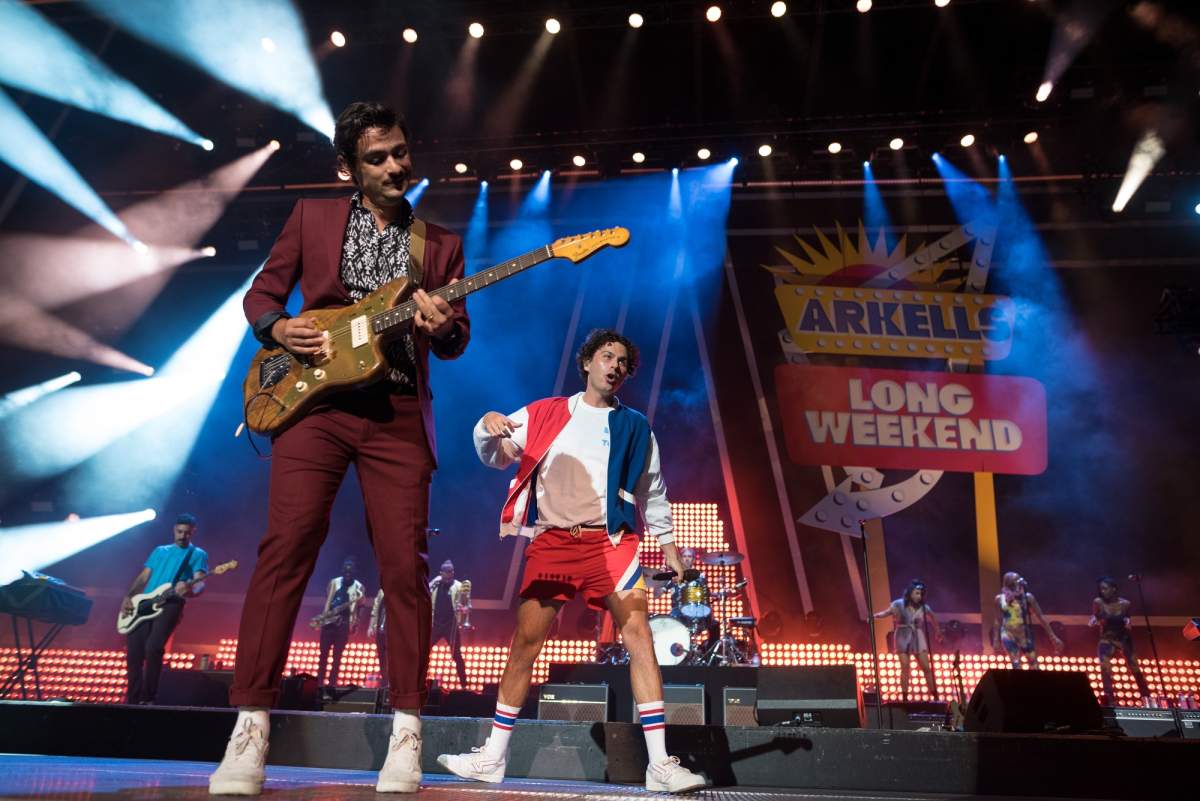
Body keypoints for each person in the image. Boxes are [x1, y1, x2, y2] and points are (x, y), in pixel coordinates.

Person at [209, 100, 470, 796]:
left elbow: (455, 338)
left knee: (405, 568)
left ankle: (407, 731)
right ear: (348, 168)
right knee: (286, 548)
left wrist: (442, 326)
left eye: (400, 152)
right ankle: (250, 727)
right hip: (317, 407)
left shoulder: (440, 243)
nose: (394, 166)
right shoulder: (312, 217)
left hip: (397, 412)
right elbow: (263, 294)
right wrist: (278, 327)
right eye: (377, 158)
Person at [438, 329, 707, 794]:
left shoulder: (635, 426)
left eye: (622, 362)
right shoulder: (544, 413)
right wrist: (486, 425)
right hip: (553, 542)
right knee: (525, 643)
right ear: (587, 362)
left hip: (611, 542)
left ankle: (660, 764)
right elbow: (496, 456)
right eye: (607, 356)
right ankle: (492, 757)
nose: (614, 366)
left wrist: (669, 548)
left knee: (640, 636)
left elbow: (653, 490)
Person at [122, 513, 208, 705]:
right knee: (134, 652)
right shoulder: (160, 551)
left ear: (193, 532)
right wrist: (129, 596)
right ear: (174, 529)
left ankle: (148, 698)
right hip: (144, 604)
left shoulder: (197, 554)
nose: (183, 536)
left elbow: (200, 582)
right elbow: (144, 576)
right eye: (180, 531)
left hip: (171, 603)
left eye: (187, 533)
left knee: (153, 647)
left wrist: (190, 590)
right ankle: (132, 701)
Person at [874, 580, 943, 702]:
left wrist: (937, 631)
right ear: (910, 593)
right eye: (917, 593)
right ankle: (905, 697)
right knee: (905, 667)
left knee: (926, 667)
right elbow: (886, 612)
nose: (919, 596)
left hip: (918, 636)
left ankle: (935, 695)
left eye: (921, 594)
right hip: (902, 634)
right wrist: (874, 616)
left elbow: (933, 617)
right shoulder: (899, 604)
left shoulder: (924, 607)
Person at [1089, 576, 1151, 706]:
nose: (1102, 591)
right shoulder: (1098, 602)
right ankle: (1110, 700)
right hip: (1107, 638)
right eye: (1101, 589)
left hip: (1123, 638)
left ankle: (1147, 699)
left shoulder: (1125, 604)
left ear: (1113, 589)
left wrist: (1128, 623)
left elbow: (1127, 619)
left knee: (1135, 668)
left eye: (1105, 588)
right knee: (1105, 668)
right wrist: (1094, 620)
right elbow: (1095, 616)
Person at [991, 572, 1062, 669]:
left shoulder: (1027, 597)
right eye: (1016, 580)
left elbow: (1041, 617)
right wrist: (996, 639)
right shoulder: (999, 599)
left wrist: (1053, 636)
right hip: (1008, 634)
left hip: (1024, 634)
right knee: (1016, 665)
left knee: (1034, 664)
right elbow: (997, 620)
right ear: (1009, 584)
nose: (1020, 582)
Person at [313, 557, 365, 692]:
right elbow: (328, 600)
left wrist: (356, 622)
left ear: (354, 573)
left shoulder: (359, 586)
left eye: (350, 572)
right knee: (323, 654)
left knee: (337, 656)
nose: (347, 574)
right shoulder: (334, 582)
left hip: (344, 624)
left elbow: (361, 606)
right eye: (345, 572)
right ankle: (319, 683)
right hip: (329, 623)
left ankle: (331, 684)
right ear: (342, 571)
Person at [429, 560, 470, 690]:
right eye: (446, 574)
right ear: (441, 573)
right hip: (435, 625)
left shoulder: (458, 586)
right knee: (423, 653)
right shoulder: (435, 585)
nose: (449, 576)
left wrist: (463, 609)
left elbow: (467, 605)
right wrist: (432, 582)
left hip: (450, 626)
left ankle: (464, 685)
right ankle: (418, 681)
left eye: (451, 573)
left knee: (456, 655)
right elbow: (424, 594)